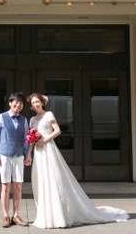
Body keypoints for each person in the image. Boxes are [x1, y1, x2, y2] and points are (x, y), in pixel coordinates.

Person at [26, 92, 129, 229]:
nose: (36, 104)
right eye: (33, 103)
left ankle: (58, 216)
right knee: (42, 181)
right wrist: (29, 154)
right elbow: (31, 140)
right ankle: (46, 215)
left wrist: (44, 139)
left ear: (42, 102)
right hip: (38, 154)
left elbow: (57, 131)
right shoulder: (32, 120)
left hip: (49, 149)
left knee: (53, 180)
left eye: (37, 101)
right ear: (31, 105)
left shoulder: (48, 114)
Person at [0, 92, 32, 228]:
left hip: (19, 155)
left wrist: (27, 155)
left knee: (18, 185)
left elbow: (26, 139)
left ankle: (16, 215)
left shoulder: (23, 120)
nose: (18, 105)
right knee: (6, 185)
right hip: (5, 155)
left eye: (21, 103)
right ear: (10, 103)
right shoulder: (1, 118)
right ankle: (5, 216)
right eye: (16, 102)